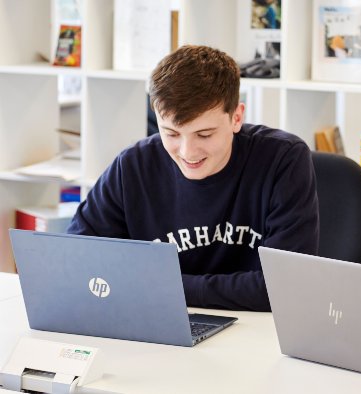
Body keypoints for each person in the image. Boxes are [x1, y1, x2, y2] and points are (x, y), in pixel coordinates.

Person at [67, 45, 319, 311]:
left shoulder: (283, 160)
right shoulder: (132, 166)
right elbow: (76, 260)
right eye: (172, 134)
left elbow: (286, 286)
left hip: (257, 331)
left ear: (236, 117)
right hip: (159, 322)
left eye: (204, 135)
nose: (187, 152)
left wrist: (161, 286)